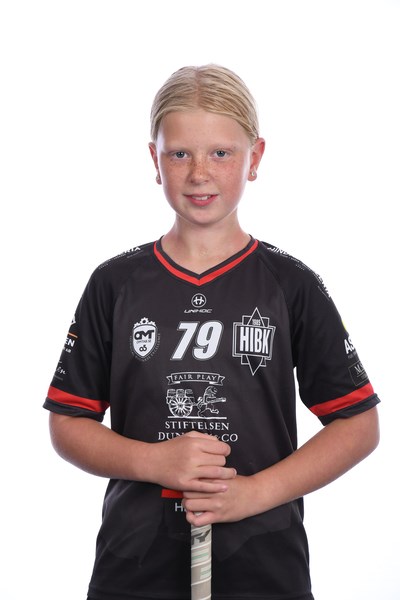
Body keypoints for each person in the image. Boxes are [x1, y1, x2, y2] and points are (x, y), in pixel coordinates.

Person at [44, 65, 380, 600]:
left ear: (255, 157)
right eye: (180, 154)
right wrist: (153, 461)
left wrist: (254, 493)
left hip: (265, 566)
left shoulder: (290, 284)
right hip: (134, 566)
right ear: (155, 160)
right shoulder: (115, 284)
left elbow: (358, 424)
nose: (200, 173)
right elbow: (68, 421)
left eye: (221, 153)